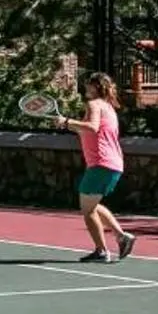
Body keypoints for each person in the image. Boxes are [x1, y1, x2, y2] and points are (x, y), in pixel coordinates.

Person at [52, 70, 136, 263]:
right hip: (112, 164)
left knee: (87, 209)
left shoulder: (93, 104)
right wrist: (68, 124)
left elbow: (92, 127)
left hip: (101, 163)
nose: (85, 87)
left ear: (96, 87)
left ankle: (101, 251)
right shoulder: (108, 107)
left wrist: (67, 121)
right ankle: (122, 237)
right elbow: (89, 130)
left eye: (88, 84)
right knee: (93, 205)